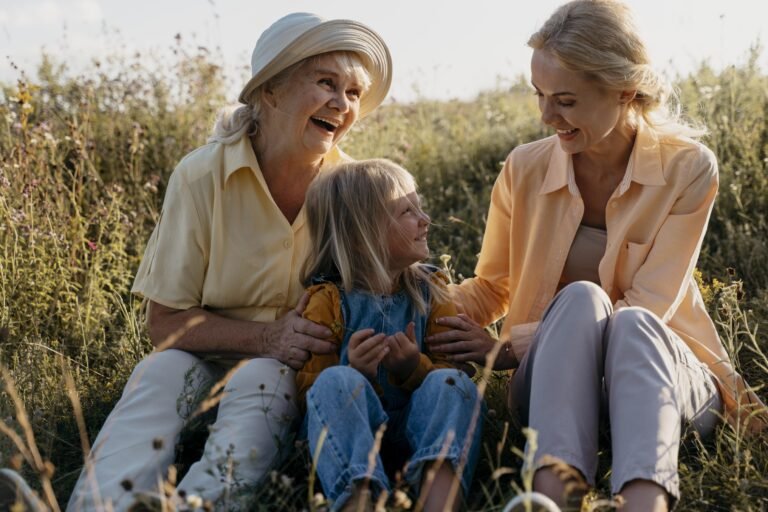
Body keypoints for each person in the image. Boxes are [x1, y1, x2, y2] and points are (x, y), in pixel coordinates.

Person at [0, 12, 392, 512]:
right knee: (161, 371)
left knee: (262, 377)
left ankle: (194, 507)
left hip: (290, 374)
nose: (342, 104)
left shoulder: (354, 189)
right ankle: (98, 506)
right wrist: (266, 337)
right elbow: (163, 323)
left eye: (354, 93)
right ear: (270, 91)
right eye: (326, 83)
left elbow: (385, 296)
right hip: (199, 354)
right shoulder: (202, 175)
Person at [426, 1, 767, 512]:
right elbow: (493, 286)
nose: (546, 116)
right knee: (583, 299)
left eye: (565, 100)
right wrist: (412, 299)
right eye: (539, 96)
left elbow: (649, 306)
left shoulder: (689, 169)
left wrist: (506, 347)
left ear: (625, 91)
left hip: (660, 378)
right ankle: (550, 501)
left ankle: (642, 503)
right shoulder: (524, 169)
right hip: (553, 386)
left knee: (629, 324)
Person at [296, 159, 484, 512]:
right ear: (360, 234)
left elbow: (451, 369)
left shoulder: (433, 289)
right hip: (351, 442)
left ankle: (439, 498)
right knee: (336, 381)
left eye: (420, 208)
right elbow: (311, 394)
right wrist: (356, 372)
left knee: (451, 383)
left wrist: (414, 368)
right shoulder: (327, 301)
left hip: (416, 431)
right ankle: (361, 500)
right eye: (407, 213)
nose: (425, 220)